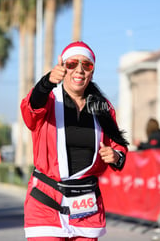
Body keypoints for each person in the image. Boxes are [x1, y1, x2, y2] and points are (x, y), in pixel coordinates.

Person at [21, 41, 129, 241]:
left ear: (92, 72)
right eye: (72, 64)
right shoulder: (49, 98)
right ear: (63, 67)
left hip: (86, 208)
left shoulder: (102, 107)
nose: (79, 70)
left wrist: (115, 156)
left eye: (86, 65)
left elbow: (118, 143)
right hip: (46, 203)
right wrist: (46, 83)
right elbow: (30, 111)